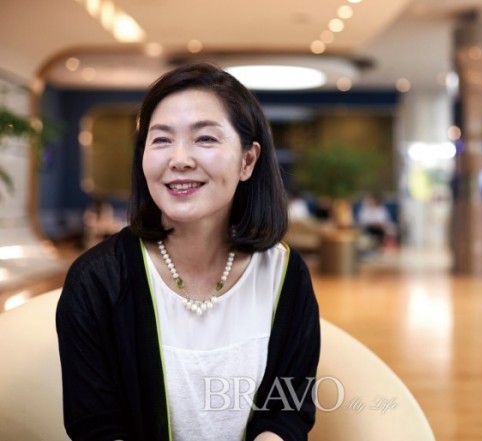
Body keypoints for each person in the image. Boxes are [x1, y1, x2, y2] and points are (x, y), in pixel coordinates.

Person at [56, 63, 321, 441]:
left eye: (205, 139)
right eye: (161, 140)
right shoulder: (97, 280)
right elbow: (96, 426)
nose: (179, 159)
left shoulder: (285, 273)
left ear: (248, 160)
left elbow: (288, 410)